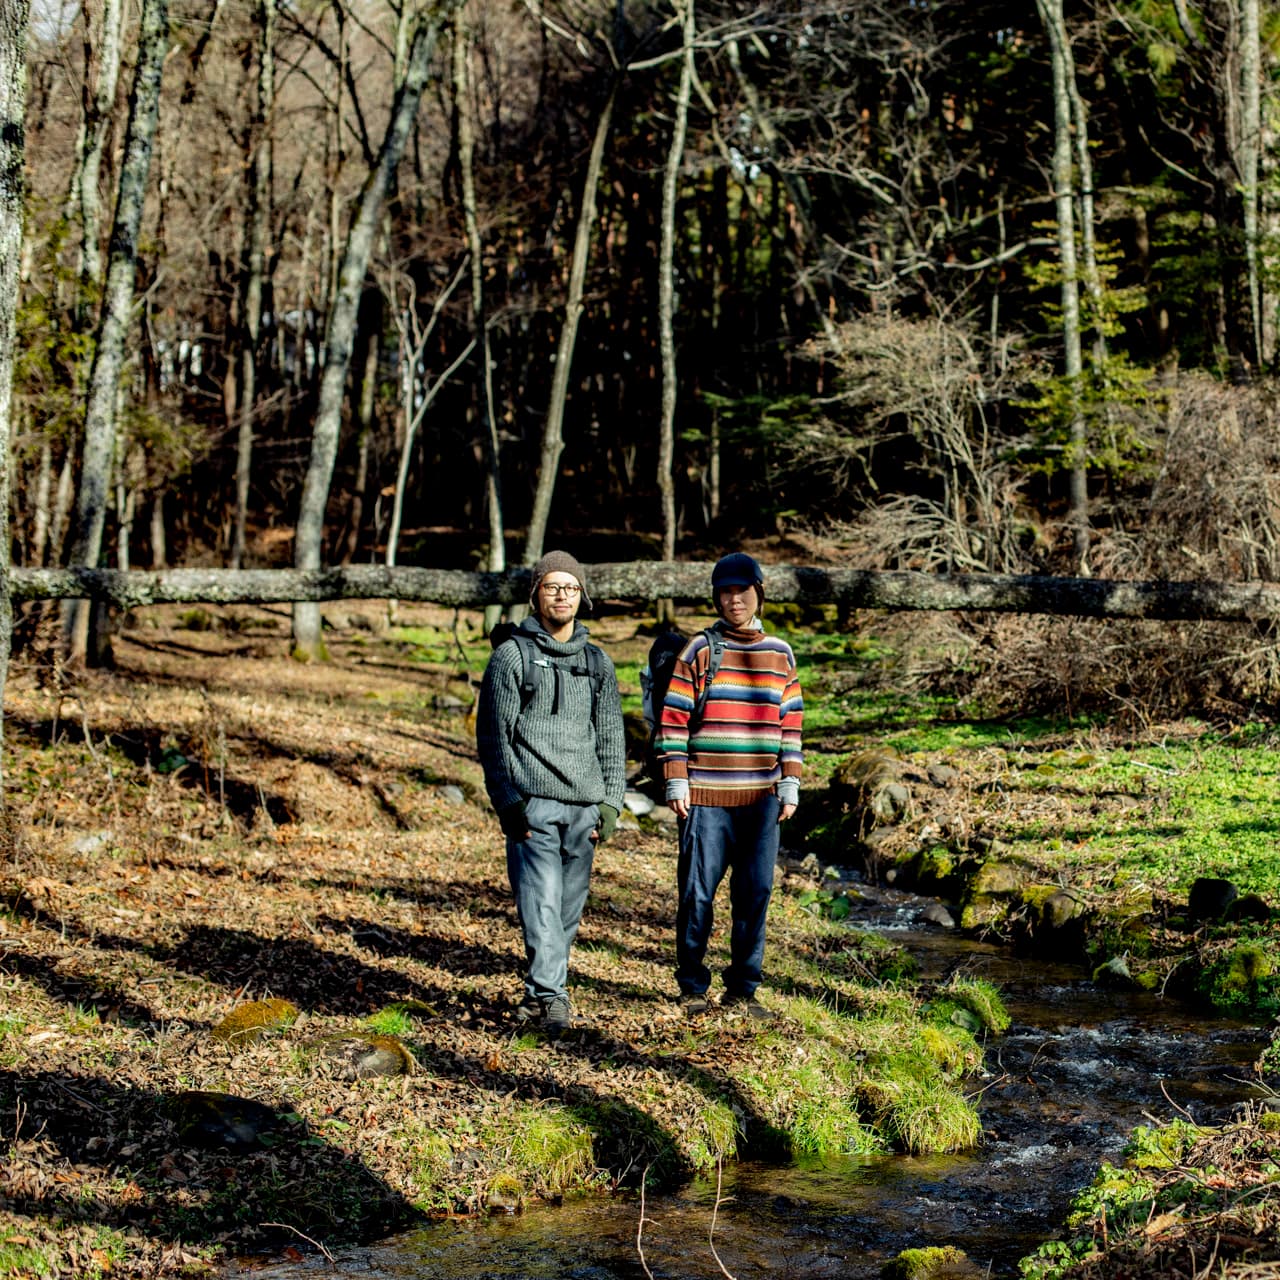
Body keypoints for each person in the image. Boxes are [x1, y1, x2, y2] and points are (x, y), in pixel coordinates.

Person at [476, 551, 626, 1033]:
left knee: (566, 909)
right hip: (532, 803)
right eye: (552, 586)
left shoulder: (597, 662)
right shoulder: (511, 657)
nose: (562, 595)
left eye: (571, 587)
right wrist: (507, 801)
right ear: (536, 594)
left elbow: (611, 735)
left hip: (585, 805)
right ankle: (552, 996)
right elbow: (493, 736)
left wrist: (610, 802)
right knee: (539, 900)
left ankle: (536, 994)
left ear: (582, 596)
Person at [657, 553, 803, 1019]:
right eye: (725, 591)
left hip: (761, 799)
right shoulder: (699, 649)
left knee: (755, 893)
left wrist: (791, 782)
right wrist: (676, 780)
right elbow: (673, 720)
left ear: (759, 593)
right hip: (705, 799)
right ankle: (692, 987)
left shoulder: (779, 653)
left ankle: (743, 990)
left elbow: (791, 724)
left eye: (742, 590)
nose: (733, 599)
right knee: (697, 893)